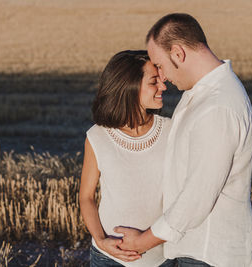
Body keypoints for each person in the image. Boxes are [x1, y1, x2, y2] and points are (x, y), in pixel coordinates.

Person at [114, 13, 252, 267]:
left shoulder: (218, 106)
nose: (162, 76)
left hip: (208, 254)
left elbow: (197, 197)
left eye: (159, 64)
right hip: (195, 251)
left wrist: (142, 242)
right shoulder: (201, 94)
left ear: (178, 54)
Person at [79, 50, 175, 267]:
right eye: (154, 82)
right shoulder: (97, 136)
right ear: (130, 87)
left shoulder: (172, 131)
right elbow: (86, 197)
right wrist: (101, 241)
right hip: (108, 260)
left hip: (161, 260)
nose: (163, 86)